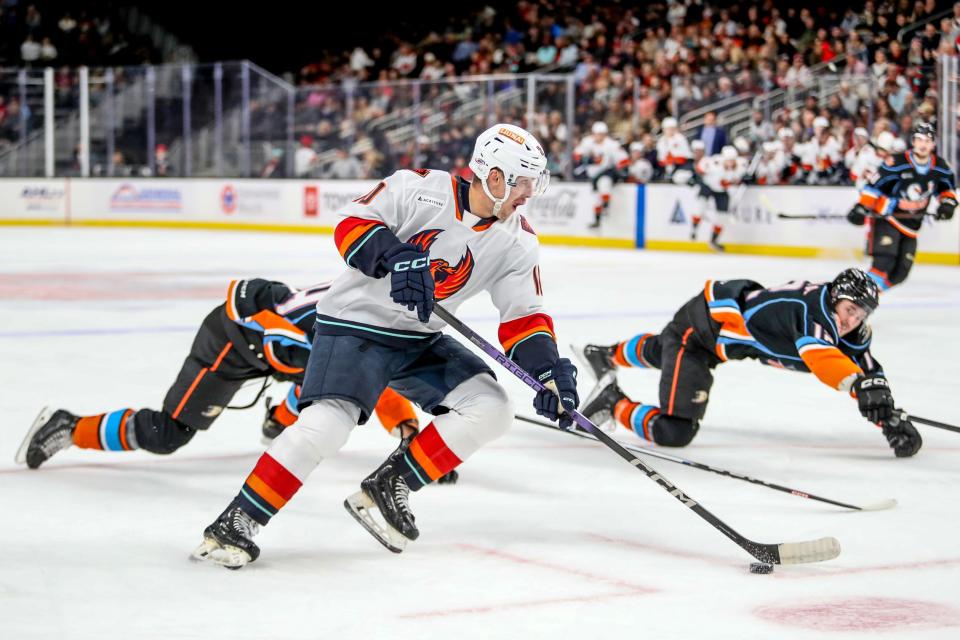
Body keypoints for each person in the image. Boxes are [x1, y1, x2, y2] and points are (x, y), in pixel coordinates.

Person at [191, 123, 579, 569]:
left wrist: (549, 371)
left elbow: (524, 317)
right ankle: (235, 523)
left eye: (535, 182)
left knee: (490, 406)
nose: (530, 193)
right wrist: (394, 256)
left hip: (418, 338)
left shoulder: (517, 241)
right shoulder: (417, 189)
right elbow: (351, 224)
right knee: (327, 425)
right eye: (523, 181)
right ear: (493, 176)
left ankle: (387, 485)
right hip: (354, 325)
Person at [15, 279, 452, 477]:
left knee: (329, 386)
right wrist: (409, 431)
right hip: (234, 341)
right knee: (169, 433)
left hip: (278, 346)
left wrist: (408, 431)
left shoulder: (366, 310)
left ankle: (276, 420)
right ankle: (70, 426)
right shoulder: (342, 325)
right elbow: (274, 324)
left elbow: (373, 380)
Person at [577, 269, 921, 458]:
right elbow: (824, 360)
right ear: (835, 298)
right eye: (849, 311)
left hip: (716, 336)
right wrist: (861, 387)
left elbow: (867, 373)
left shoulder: (846, 324)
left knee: (662, 349)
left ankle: (604, 354)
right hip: (703, 331)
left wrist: (887, 417)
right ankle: (612, 401)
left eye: (860, 315)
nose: (851, 321)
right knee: (674, 430)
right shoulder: (808, 310)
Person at [848, 123, 956, 291]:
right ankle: (855, 301)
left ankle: (865, 298)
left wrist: (947, 205)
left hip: (912, 226)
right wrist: (862, 207)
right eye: (919, 140)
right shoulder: (896, 163)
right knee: (884, 262)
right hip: (888, 219)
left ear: (933, 144)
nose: (923, 144)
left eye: (928, 140)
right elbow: (874, 186)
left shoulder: (940, 167)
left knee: (900, 273)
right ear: (913, 142)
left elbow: (947, 189)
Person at [573, 121, 629, 228]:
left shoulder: (611, 144)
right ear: (593, 133)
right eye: (597, 134)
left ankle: (606, 206)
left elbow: (623, 159)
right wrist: (585, 159)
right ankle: (597, 220)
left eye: (601, 134)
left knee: (604, 185)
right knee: (596, 199)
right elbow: (577, 154)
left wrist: (622, 170)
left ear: (605, 134)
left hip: (606, 171)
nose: (599, 136)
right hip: (593, 175)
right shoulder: (587, 142)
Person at [690, 146, 746, 251]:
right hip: (708, 186)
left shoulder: (741, 166)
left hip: (722, 191)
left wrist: (736, 182)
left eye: (732, 161)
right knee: (699, 208)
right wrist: (699, 173)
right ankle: (694, 229)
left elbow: (739, 180)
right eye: (728, 161)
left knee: (722, 218)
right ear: (723, 159)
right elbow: (700, 167)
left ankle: (713, 241)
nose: (731, 163)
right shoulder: (714, 163)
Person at [656, 117, 694, 183]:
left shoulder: (680, 138)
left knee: (680, 177)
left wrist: (674, 159)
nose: (670, 131)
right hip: (667, 166)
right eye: (668, 129)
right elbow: (660, 157)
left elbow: (686, 155)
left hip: (682, 165)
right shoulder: (661, 141)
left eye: (672, 129)